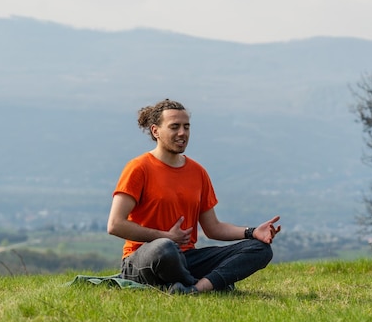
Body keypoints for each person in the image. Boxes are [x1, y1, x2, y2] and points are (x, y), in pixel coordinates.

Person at [107, 99, 281, 294]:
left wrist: (253, 232)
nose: (182, 133)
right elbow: (115, 224)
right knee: (165, 248)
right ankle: (210, 283)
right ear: (155, 131)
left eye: (186, 127)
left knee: (260, 250)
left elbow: (213, 228)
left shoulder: (198, 172)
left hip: (186, 258)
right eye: (174, 127)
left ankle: (197, 288)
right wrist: (165, 236)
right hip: (144, 258)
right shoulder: (138, 168)